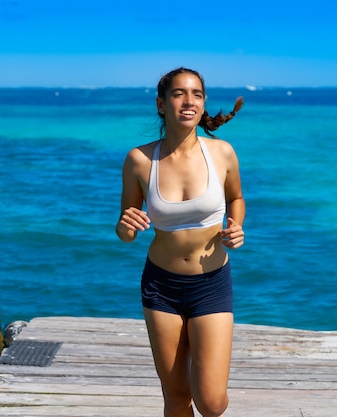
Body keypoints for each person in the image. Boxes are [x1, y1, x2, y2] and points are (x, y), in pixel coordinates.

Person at [115, 67, 245, 417]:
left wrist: (236, 227)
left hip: (212, 284)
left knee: (212, 403)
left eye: (197, 95)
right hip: (161, 286)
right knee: (175, 398)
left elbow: (236, 198)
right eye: (178, 94)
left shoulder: (222, 153)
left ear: (203, 105)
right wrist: (127, 225)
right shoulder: (139, 160)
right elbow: (126, 229)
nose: (189, 101)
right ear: (161, 104)